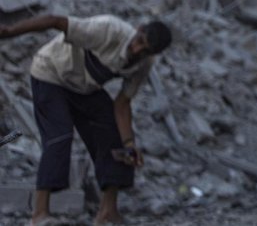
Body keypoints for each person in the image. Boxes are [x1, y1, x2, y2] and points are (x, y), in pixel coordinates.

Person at [0, 14, 173, 226]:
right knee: (60, 136)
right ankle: (40, 214)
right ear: (138, 30)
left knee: (115, 139)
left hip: (84, 87)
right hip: (51, 73)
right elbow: (56, 21)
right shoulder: (108, 30)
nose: (137, 50)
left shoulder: (143, 64)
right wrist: (9, 32)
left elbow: (122, 104)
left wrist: (129, 144)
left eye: (145, 50)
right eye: (139, 42)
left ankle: (107, 212)